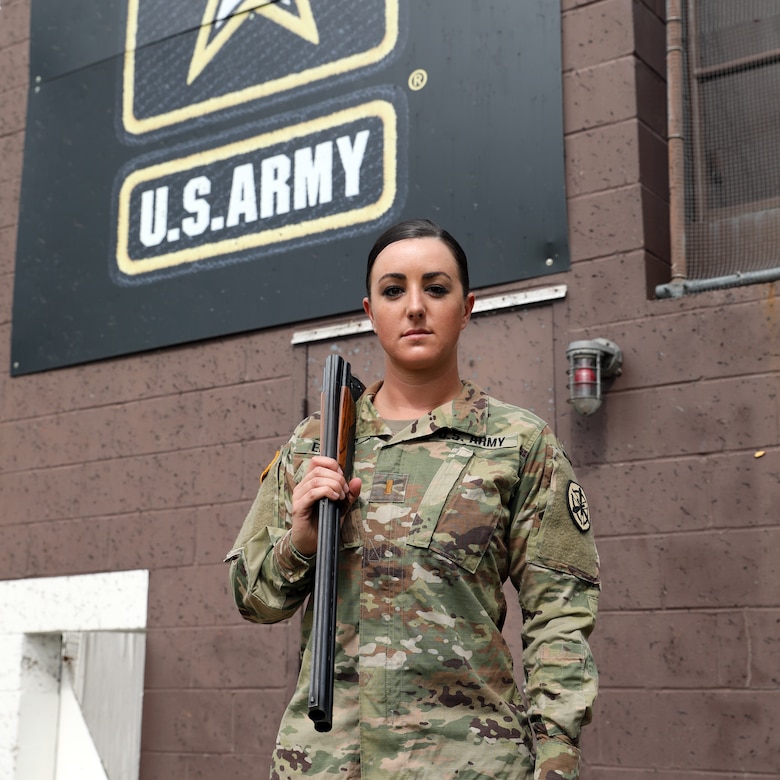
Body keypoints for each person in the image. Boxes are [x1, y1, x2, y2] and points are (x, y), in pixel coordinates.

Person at [225, 218, 600, 779]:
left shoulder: (520, 443)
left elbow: (559, 617)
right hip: (326, 762)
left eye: (437, 288)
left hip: (468, 762)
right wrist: (300, 542)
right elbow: (252, 599)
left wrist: (555, 760)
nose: (416, 306)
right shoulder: (318, 443)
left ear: (467, 307)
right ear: (370, 311)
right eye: (394, 290)